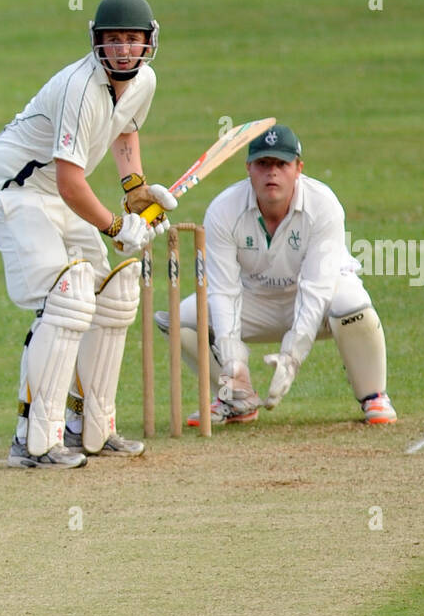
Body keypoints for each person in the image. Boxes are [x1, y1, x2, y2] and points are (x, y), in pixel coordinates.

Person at [0, 0, 178, 468]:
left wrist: (135, 188)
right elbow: (70, 182)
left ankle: (90, 426)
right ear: (97, 42)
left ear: (148, 42)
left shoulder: (144, 80)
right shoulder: (80, 88)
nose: (124, 49)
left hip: (60, 191)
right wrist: (115, 226)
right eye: (113, 40)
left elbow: (125, 128)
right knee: (67, 296)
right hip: (16, 189)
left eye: (132, 39)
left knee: (114, 294)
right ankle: (32, 441)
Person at [157, 124, 397, 426]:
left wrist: (292, 357)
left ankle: (373, 395)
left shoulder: (323, 205)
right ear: (248, 168)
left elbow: (316, 288)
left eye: (281, 164)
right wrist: (233, 359)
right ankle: (236, 397)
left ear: (298, 168)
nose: (272, 173)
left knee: (351, 301)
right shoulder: (223, 210)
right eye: (263, 164)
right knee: (185, 319)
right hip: (255, 301)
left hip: (317, 302)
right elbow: (222, 290)